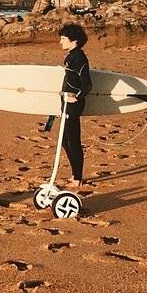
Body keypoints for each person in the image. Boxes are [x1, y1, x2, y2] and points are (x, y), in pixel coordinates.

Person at [58, 24, 92, 187]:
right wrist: (63, 92)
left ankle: (77, 178)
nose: (60, 42)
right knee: (65, 140)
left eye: (64, 38)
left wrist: (75, 98)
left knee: (73, 141)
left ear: (74, 40)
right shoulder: (71, 56)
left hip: (73, 105)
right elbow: (71, 79)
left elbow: (87, 85)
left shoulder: (79, 57)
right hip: (66, 102)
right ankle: (75, 174)